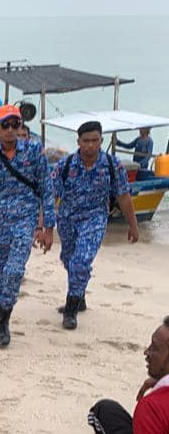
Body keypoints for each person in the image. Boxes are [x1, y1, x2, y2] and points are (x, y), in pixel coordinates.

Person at [0, 104, 56, 347]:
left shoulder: (33, 152)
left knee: (14, 271)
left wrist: (47, 227)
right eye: (5, 125)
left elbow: (46, 189)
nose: (10, 130)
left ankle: (4, 321)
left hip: (25, 221)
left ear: (21, 126)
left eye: (15, 125)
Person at [54, 121, 139, 329]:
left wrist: (133, 225)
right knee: (69, 259)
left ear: (101, 141)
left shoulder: (112, 165)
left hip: (95, 219)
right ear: (78, 142)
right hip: (67, 219)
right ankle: (79, 294)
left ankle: (71, 308)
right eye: (86, 141)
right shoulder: (64, 165)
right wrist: (43, 225)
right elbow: (50, 196)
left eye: (95, 140)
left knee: (81, 262)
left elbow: (124, 197)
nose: (90, 145)